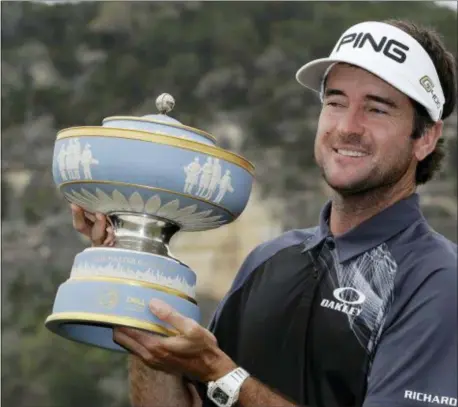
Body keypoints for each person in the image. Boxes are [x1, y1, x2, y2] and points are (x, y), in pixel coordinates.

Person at [71, 19, 457, 407]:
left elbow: (217, 373)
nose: (347, 127)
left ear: (425, 137)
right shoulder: (269, 259)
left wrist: (221, 373)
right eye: (336, 102)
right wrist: (138, 266)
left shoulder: (435, 280)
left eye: (376, 109)